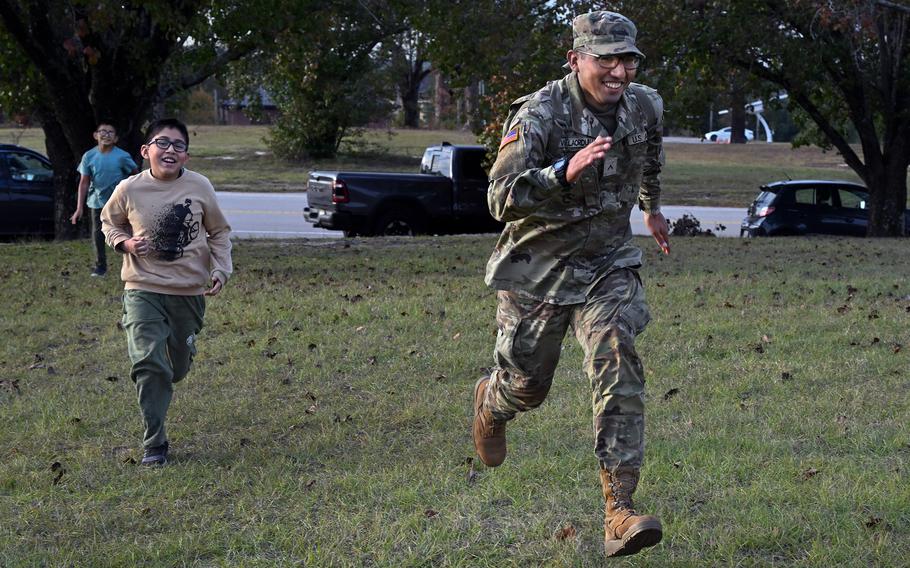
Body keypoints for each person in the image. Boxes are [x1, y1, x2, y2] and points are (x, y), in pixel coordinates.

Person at [471, 11, 670, 558]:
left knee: (617, 354)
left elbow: (649, 156)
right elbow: (498, 199)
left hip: (608, 261)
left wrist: (651, 210)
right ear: (576, 59)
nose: (618, 70)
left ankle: (619, 511)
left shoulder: (645, 104)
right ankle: (493, 400)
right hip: (539, 269)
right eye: (605, 58)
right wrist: (562, 173)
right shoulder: (540, 113)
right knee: (528, 387)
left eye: (626, 58)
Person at [101, 118, 232, 466]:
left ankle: (181, 352)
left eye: (179, 145)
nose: (170, 150)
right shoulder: (129, 189)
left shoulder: (200, 187)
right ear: (146, 151)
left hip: (188, 293)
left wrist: (221, 269)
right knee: (148, 363)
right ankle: (155, 443)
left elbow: (219, 233)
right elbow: (109, 221)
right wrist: (125, 242)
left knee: (175, 369)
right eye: (162, 142)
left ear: (186, 156)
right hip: (141, 287)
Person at [70, 122, 138, 277]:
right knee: (98, 234)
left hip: (120, 203)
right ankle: (100, 266)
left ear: (116, 138)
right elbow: (84, 181)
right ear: (96, 135)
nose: (106, 135)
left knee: (127, 232)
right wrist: (79, 208)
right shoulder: (89, 156)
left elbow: (135, 176)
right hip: (96, 202)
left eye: (110, 132)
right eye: (103, 131)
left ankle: (132, 265)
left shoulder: (122, 156)